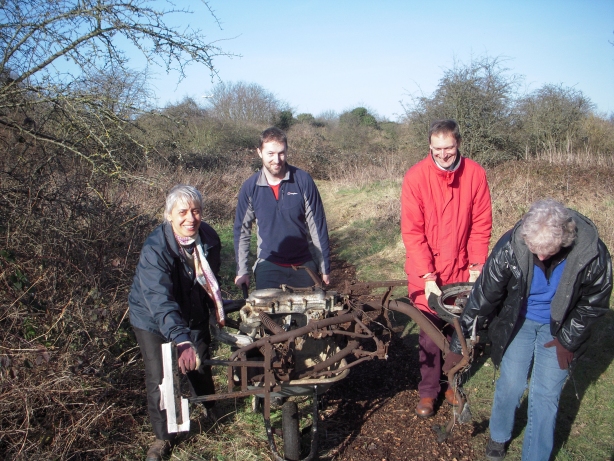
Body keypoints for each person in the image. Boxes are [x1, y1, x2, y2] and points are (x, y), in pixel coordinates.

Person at [444, 199, 612, 461]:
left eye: (549, 251)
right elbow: (483, 298)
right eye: (536, 251)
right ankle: (498, 437)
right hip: (518, 321)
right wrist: (458, 344)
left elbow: (594, 303)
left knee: (546, 395)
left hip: (561, 327)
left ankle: (535, 456)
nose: (541, 257)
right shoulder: (512, 245)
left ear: (564, 239)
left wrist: (568, 340)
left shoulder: (592, 253)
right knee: (511, 383)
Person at [401, 119, 492, 418]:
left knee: (458, 331)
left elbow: (481, 225)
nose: (443, 154)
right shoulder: (415, 177)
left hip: (462, 269)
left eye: (449, 148)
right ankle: (428, 391)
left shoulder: (475, 174)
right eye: (437, 149)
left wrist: (477, 266)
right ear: (430, 147)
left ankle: (452, 382)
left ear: (459, 144)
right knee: (428, 333)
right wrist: (427, 275)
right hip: (425, 270)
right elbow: (413, 232)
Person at [128, 185, 225, 461]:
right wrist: (180, 339)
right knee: (160, 376)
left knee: (200, 359)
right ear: (169, 216)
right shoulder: (155, 250)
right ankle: (163, 438)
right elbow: (159, 300)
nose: (190, 218)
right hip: (151, 316)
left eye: (196, 211)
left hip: (190, 309)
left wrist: (213, 312)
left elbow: (209, 283)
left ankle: (208, 406)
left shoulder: (209, 239)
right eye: (182, 212)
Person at [234, 126, 331, 290]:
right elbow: (242, 230)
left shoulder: (303, 180)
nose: (277, 159)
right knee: (269, 314)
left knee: (311, 313)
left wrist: (324, 266)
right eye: (270, 154)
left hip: (304, 266)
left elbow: (317, 225)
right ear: (259, 152)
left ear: (287, 151)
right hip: (268, 266)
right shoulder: (250, 187)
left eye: (281, 153)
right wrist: (242, 270)